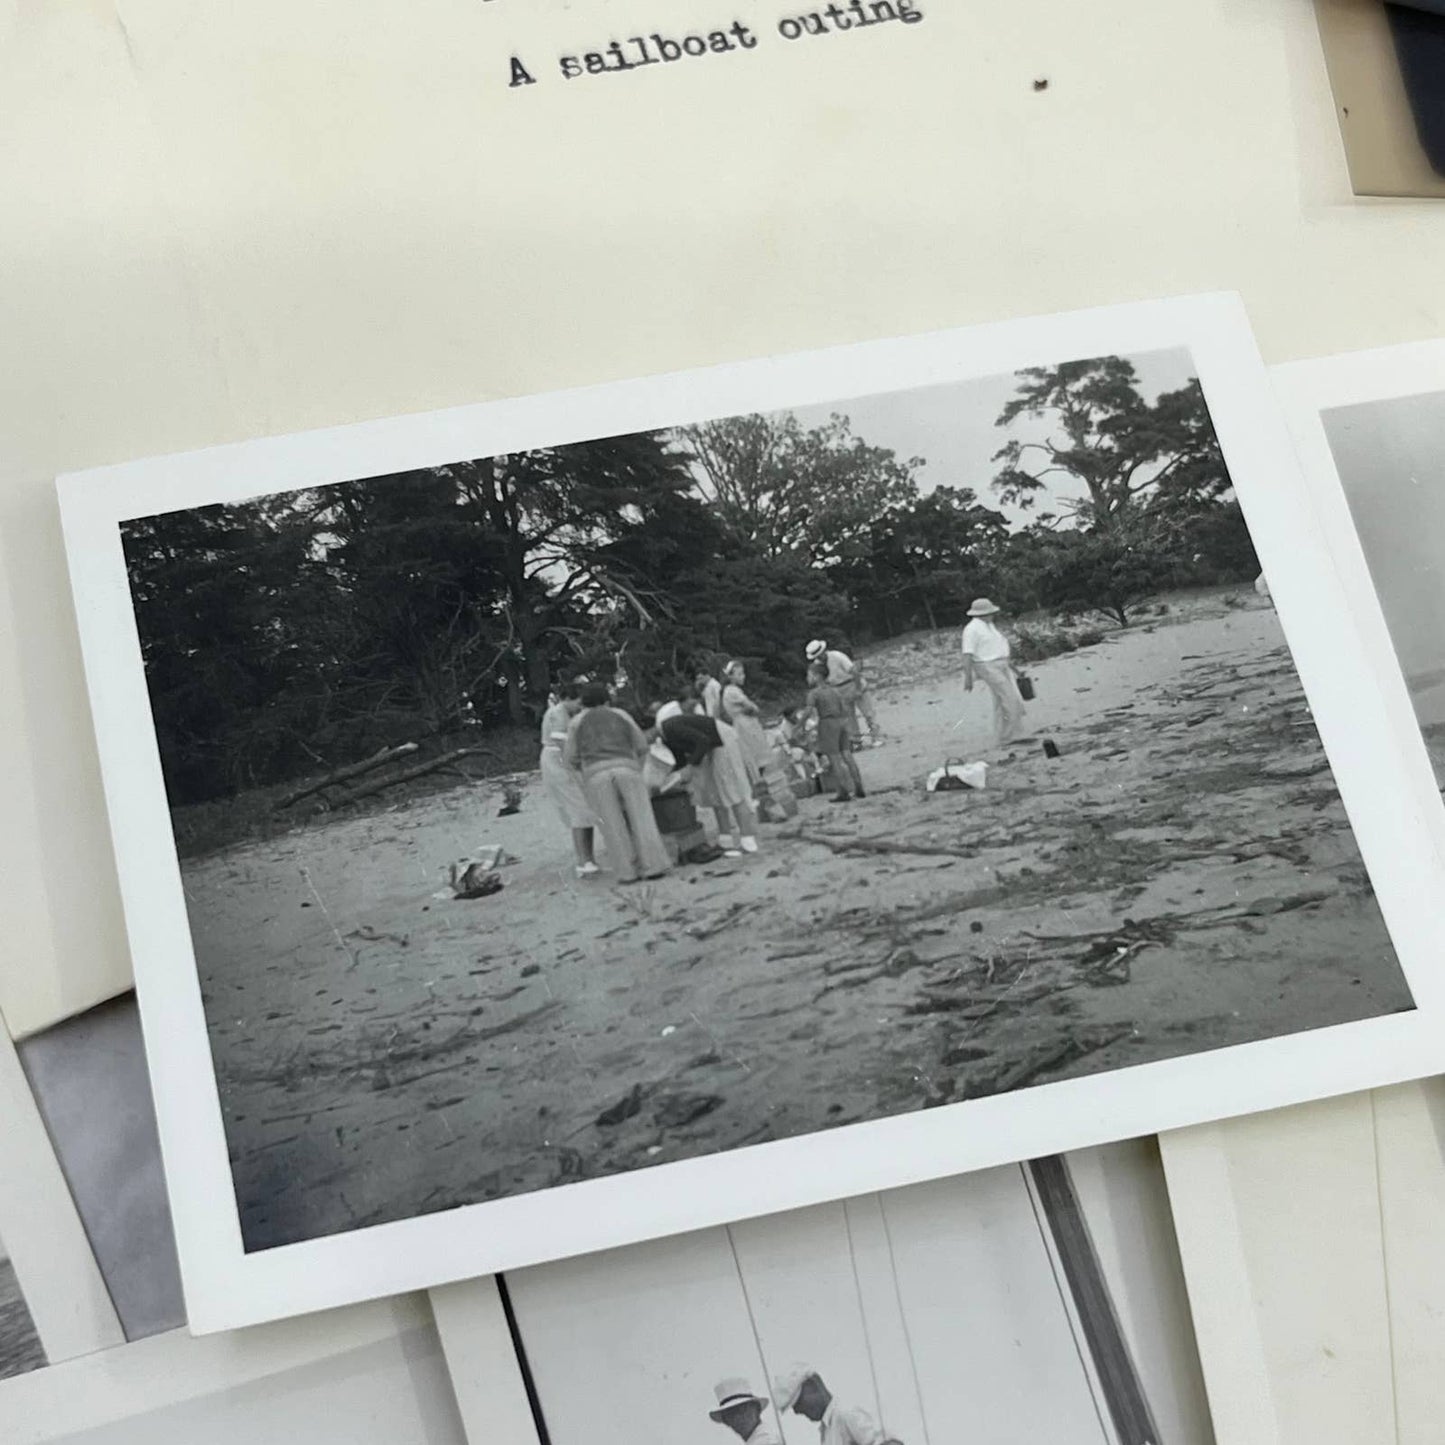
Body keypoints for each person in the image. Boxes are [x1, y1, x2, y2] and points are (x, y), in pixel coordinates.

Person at [562, 683, 670, 884]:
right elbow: (641, 745)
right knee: (641, 819)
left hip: (596, 774)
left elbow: (570, 759)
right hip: (626, 767)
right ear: (606, 700)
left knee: (612, 825)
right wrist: (637, 769)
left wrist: (584, 780)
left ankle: (627, 872)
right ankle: (653, 866)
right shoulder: (620, 715)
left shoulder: (576, 722)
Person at [660, 708, 761, 854]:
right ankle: (725, 841)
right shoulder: (667, 738)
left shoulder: (670, 727)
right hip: (709, 748)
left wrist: (690, 766)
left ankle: (747, 840)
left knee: (732, 791)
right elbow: (681, 759)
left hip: (721, 741)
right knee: (714, 793)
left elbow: (703, 740)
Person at [721, 660, 798, 821]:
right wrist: (753, 709)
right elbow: (752, 707)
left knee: (759, 766)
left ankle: (766, 805)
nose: (743, 676)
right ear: (731, 676)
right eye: (739, 674)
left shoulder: (732, 691)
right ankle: (767, 806)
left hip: (749, 728)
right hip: (746, 729)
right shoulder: (731, 692)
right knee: (756, 766)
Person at [538, 681, 598, 878]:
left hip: (566, 760)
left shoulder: (569, 713)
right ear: (567, 698)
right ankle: (583, 861)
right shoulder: (558, 713)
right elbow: (562, 744)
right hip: (558, 762)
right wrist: (578, 769)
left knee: (586, 810)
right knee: (578, 809)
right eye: (578, 702)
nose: (580, 707)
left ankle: (589, 858)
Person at [773, 1366, 900, 1445]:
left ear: (813, 1384)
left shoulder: (846, 1412)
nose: (797, 1411)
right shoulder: (828, 1429)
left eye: (798, 1402)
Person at [960, 598, 1027, 748]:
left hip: (1000, 664)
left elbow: (998, 648)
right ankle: (1010, 736)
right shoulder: (971, 629)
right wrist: (968, 677)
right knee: (1010, 698)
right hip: (986, 665)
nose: (992, 615)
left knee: (1001, 700)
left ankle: (1002, 736)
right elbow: (967, 654)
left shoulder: (989, 626)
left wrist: (1014, 669)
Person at [805, 664, 865, 803]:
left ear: (816, 676)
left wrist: (800, 725)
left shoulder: (814, 693)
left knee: (834, 759)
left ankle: (843, 791)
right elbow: (843, 707)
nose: (807, 678)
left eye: (809, 675)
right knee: (847, 755)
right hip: (841, 722)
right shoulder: (835, 690)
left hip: (827, 724)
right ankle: (858, 786)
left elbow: (808, 711)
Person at [805, 639, 881, 745]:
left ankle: (876, 738)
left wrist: (858, 689)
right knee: (849, 718)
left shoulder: (837, 656)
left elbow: (854, 671)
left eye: (819, 655)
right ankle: (857, 741)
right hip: (839, 690)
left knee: (868, 713)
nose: (819, 657)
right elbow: (814, 682)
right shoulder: (817, 666)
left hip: (853, 682)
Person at [708, 1378, 781, 1445]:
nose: (738, 1417)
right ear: (726, 1421)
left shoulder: (766, 1440)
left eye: (742, 1410)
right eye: (731, 1414)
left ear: (757, 1409)